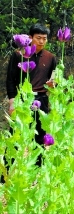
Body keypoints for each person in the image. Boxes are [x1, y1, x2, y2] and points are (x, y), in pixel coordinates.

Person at [2, 23, 56, 183]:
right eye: (38, 38)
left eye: (44, 39)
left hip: (41, 100)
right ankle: (4, 176)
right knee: (15, 137)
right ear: (30, 38)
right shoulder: (19, 55)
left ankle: (38, 176)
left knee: (41, 138)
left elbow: (54, 79)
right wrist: (12, 101)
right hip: (22, 100)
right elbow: (10, 79)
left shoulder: (50, 57)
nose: (41, 41)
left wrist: (54, 85)